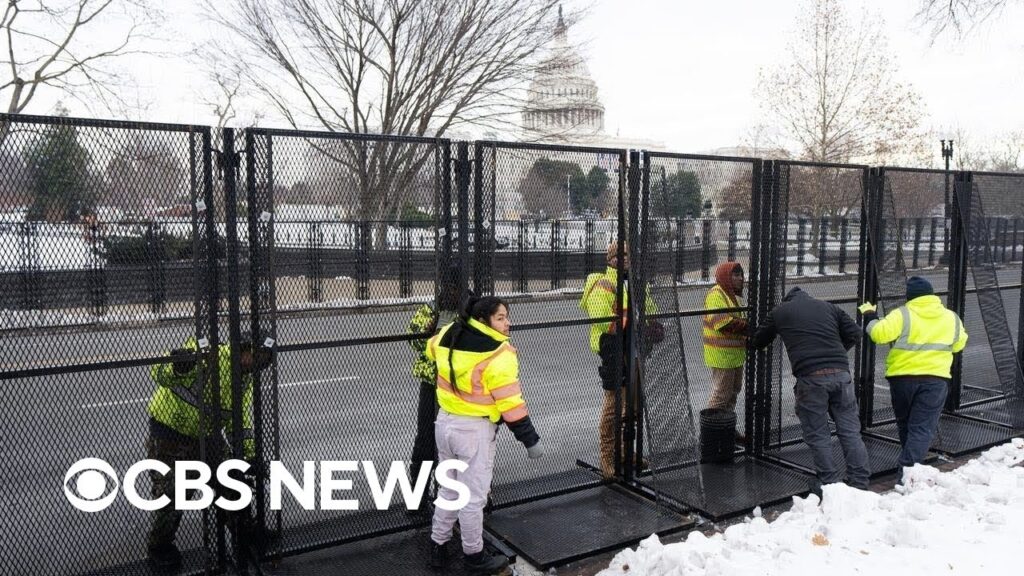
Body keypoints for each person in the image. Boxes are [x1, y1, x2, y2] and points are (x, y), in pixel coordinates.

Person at [426, 296, 543, 575]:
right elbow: (511, 406)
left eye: (507, 317)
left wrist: (450, 327)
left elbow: (430, 349)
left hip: (445, 424)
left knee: (449, 489)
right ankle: (474, 555)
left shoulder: (447, 335)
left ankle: (437, 545)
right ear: (484, 320)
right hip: (474, 432)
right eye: (500, 318)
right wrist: (530, 440)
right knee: (473, 498)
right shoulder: (499, 354)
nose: (507, 323)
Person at [145, 335, 272, 571]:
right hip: (170, 433)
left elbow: (239, 420)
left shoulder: (244, 380)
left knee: (232, 480)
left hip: (207, 435)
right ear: (242, 348)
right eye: (253, 355)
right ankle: (159, 546)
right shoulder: (212, 357)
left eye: (262, 361)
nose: (254, 363)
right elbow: (158, 372)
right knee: (175, 491)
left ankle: (243, 529)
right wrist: (178, 365)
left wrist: (251, 455)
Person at [752, 287, 870, 490]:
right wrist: (836, 353)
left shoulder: (780, 311)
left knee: (818, 433)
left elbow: (758, 341)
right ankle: (859, 482)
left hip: (811, 377)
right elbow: (856, 333)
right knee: (850, 431)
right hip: (842, 376)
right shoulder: (829, 307)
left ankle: (829, 483)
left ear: (788, 300)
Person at [860, 276, 967, 475]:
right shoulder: (951, 317)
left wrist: (869, 315)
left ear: (909, 297)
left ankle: (908, 468)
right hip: (936, 379)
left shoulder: (902, 314)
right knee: (922, 428)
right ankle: (908, 472)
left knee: (906, 424)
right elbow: (960, 343)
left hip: (902, 379)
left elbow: (879, 334)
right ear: (932, 294)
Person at [579, 242, 659, 479]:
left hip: (634, 348)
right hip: (613, 348)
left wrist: (651, 325)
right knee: (614, 404)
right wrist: (634, 326)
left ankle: (625, 452)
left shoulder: (636, 283)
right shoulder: (602, 283)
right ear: (610, 259)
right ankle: (607, 458)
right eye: (619, 255)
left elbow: (650, 310)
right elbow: (602, 319)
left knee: (632, 402)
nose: (624, 259)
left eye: (627, 255)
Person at [407, 267, 461, 505]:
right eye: (445, 286)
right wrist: (429, 334)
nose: (448, 291)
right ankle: (417, 498)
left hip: (457, 386)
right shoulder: (432, 308)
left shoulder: (468, 309)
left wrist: (435, 339)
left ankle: (446, 495)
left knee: (451, 442)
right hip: (432, 383)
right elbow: (414, 337)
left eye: (453, 287)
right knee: (426, 440)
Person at [703, 262, 748, 438]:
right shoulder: (716, 294)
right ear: (725, 277)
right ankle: (711, 434)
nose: (739, 278)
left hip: (734, 355)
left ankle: (726, 428)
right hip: (721, 354)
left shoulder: (734, 296)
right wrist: (748, 328)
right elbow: (722, 322)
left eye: (741, 275)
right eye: (735, 275)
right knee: (721, 395)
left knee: (732, 393)